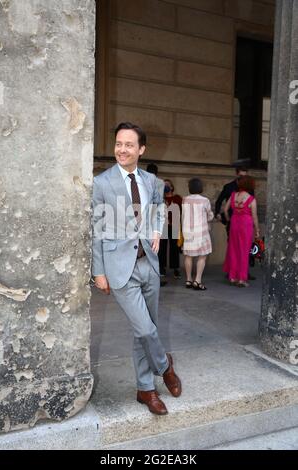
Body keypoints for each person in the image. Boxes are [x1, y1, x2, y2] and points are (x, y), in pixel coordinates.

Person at [92, 122, 182, 415]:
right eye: (118, 143)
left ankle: (145, 389)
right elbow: (96, 230)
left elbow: (159, 210)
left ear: (141, 149)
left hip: (149, 266)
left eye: (129, 145)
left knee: (144, 332)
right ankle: (164, 365)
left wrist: (157, 229)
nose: (122, 149)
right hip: (120, 269)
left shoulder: (152, 181)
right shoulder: (102, 183)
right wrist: (98, 271)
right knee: (145, 328)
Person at [215, 165, 256, 280]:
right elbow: (219, 201)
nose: (244, 178)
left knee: (246, 248)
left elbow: (253, 204)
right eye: (242, 175)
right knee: (233, 247)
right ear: (237, 174)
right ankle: (232, 271)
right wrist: (218, 213)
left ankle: (244, 272)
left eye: (245, 175)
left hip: (245, 221)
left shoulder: (249, 188)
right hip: (233, 221)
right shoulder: (229, 187)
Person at [223, 176, 260, 287]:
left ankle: (233, 277)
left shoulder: (233, 195)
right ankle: (242, 279)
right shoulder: (251, 199)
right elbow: (254, 216)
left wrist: (230, 219)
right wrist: (257, 229)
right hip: (246, 225)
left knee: (233, 250)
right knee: (244, 251)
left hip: (235, 223)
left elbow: (225, 210)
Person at [182, 178, 214, 290]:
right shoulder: (205, 200)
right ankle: (197, 280)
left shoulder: (184, 199)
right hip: (201, 231)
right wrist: (210, 217)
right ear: (201, 188)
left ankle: (188, 279)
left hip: (187, 231)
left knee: (188, 256)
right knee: (202, 255)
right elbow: (210, 215)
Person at [158, 179, 182, 280]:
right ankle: (162, 268)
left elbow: (181, 211)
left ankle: (175, 268)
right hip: (163, 225)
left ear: (172, 187)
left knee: (174, 248)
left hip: (174, 225)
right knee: (162, 248)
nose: (166, 187)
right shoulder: (160, 198)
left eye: (168, 185)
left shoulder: (177, 198)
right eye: (164, 185)